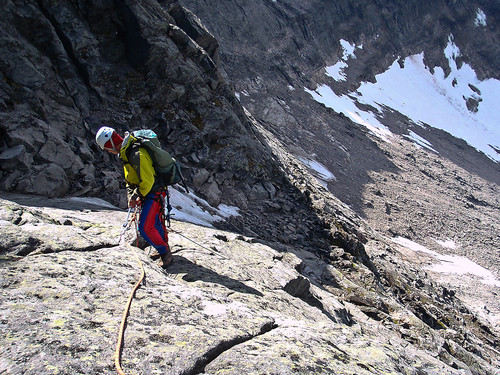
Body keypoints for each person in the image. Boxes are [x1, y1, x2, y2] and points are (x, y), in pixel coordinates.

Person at [95, 126, 173, 268]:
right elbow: (130, 179)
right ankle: (163, 247)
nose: (109, 152)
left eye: (107, 148)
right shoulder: (127, 153)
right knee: (154, 223)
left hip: (153, 191)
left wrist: (136, 195)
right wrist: (132, 195)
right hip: (148, 192)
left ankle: (165, 253)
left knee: (146, 227)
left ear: (111, 144)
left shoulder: (136, 153)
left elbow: (147, 180)